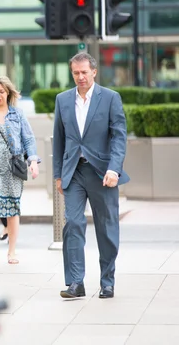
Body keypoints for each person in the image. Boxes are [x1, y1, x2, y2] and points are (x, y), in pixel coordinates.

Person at [52, 52, 129, 299]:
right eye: (76, 72)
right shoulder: (63, 100)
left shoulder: (110, 98)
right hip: (73, 172)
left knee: (106, 228)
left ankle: (107, 282)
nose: (80, 77)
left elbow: (119, 137)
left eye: (84, 72)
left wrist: (114, 168)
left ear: (94, 72)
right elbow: (59, 140)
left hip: (102, 173)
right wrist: (57, 174)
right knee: (73, 223)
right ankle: (76, 282)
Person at [0, 75, 40, 265]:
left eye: (1, 92)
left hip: (12, 165)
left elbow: (28, 139)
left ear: (8, 93)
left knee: (12, 208)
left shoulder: (17, 114)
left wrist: (33, 161)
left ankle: (12, 252)